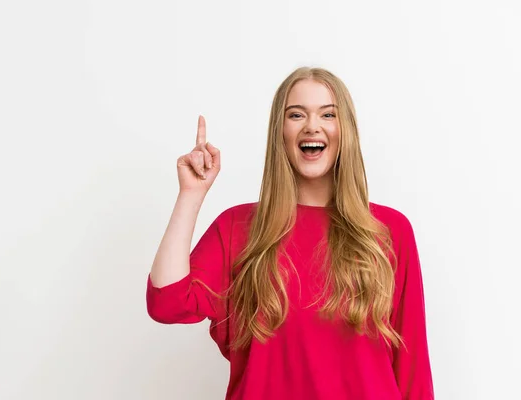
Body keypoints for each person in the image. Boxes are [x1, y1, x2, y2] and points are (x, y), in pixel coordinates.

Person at [146, 66, 434, 400]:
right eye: (296, 114)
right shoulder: (238, 228)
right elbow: (166, 303)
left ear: (346, 131)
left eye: (328, 114)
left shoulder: (389, 231)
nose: (313, 125)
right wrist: (191, 195)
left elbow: (413, 372)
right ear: (280, 131)